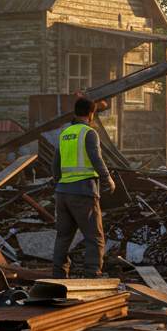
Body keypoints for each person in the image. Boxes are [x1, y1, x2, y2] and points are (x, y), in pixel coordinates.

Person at [51, 98, 114, 277]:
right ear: (91, 113)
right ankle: (92, 274)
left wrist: (59, 184)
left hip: (62, 193)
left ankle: (58, 274)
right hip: (83, 192)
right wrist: (107, 178)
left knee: (63, 237)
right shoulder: (89, 132)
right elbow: (96, 157)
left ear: (75, 112)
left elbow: (55, 164)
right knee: (94, 237)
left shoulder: (64, 134)